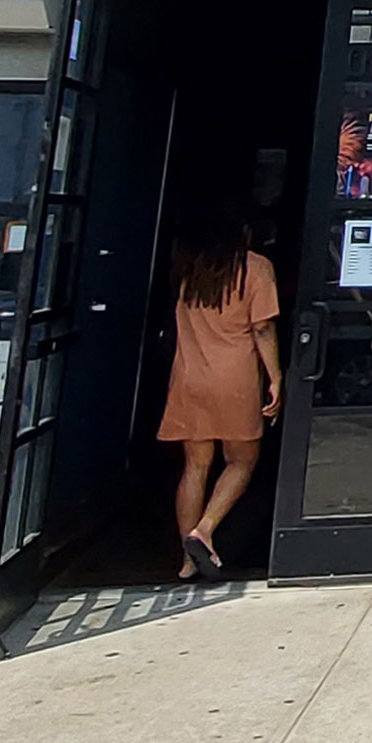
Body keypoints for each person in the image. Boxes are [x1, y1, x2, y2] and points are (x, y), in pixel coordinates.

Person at [158, 199, 282, 580]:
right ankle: (205, 529)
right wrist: (276, 377)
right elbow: (262, 328)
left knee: (194, 467)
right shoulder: (256, 268)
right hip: (236, 378)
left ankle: (186, 559)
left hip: (189, 377)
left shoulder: (187, 268)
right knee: (241, 461)